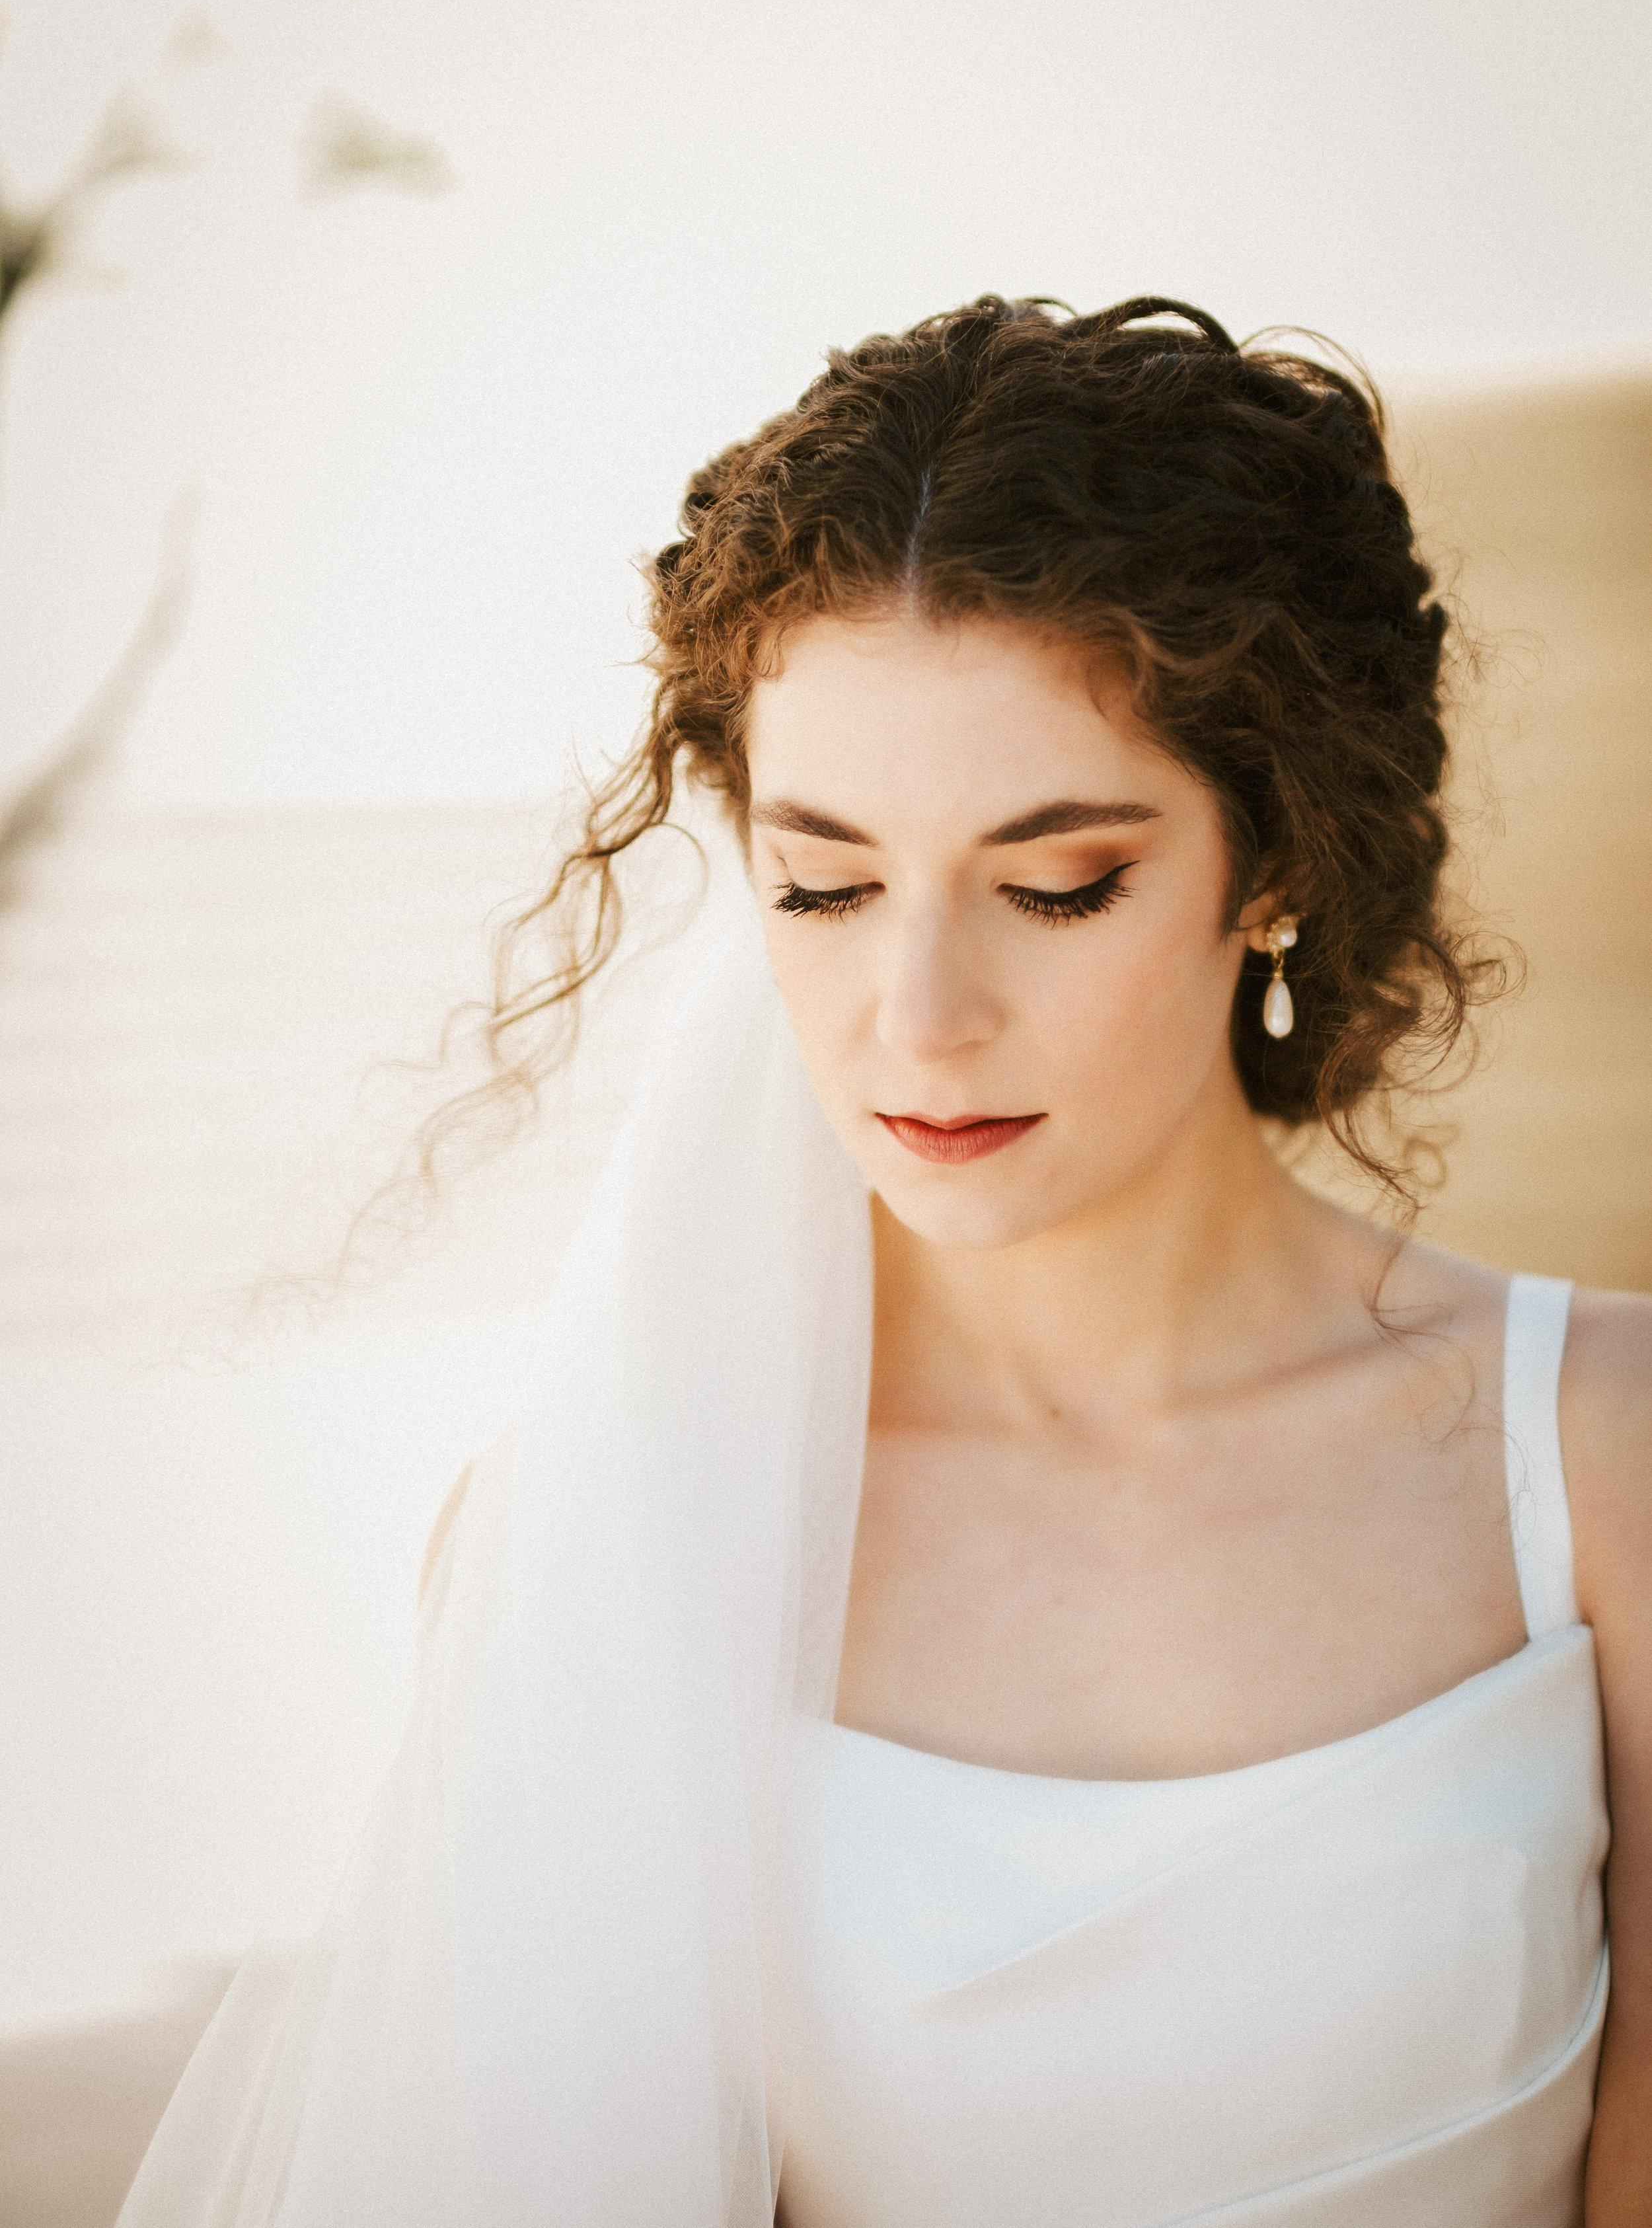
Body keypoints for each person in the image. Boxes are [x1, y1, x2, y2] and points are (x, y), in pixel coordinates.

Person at [119, 296, 1650, 2227]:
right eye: (822, 885)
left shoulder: (1601, 1461)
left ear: (1276, 861)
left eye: (1053, 886)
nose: (915, 1017)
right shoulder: (611, 1533)